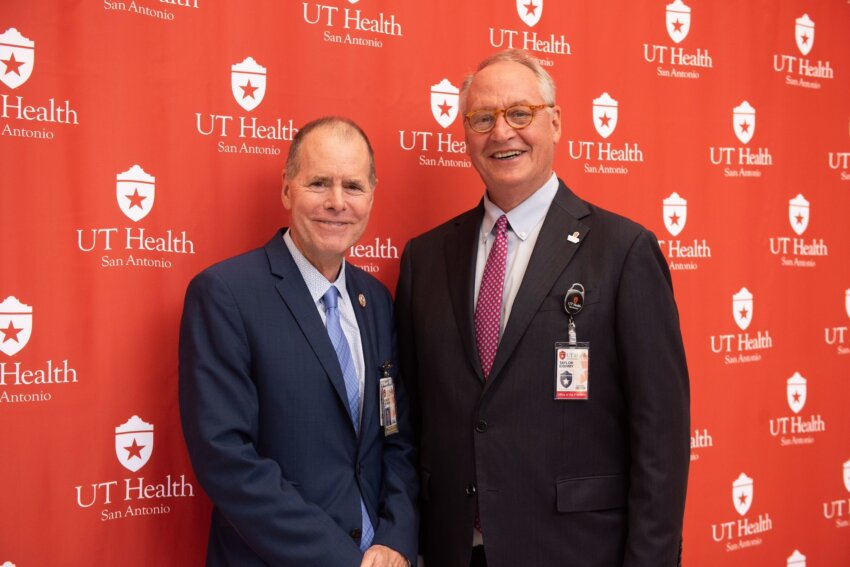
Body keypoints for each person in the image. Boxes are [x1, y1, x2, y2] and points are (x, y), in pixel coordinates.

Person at [395, 49, 689, 567]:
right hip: (452, 551)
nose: (501, 132)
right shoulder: (425, 257)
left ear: (554, 121)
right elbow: (413, 421)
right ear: (465, 133)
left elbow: (660, 441)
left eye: (519, 113)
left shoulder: (624, 252)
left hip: (575, 552)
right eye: (482, 118)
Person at [179, 117, 417, 567]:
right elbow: (225, 459)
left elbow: (396, 437)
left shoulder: (377, 301)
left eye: (353, 186)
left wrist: (396, 538)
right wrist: (341, 559)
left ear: (371, 196)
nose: (336, 202)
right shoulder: (226, 294)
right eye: (319, 183)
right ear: (287, 189)